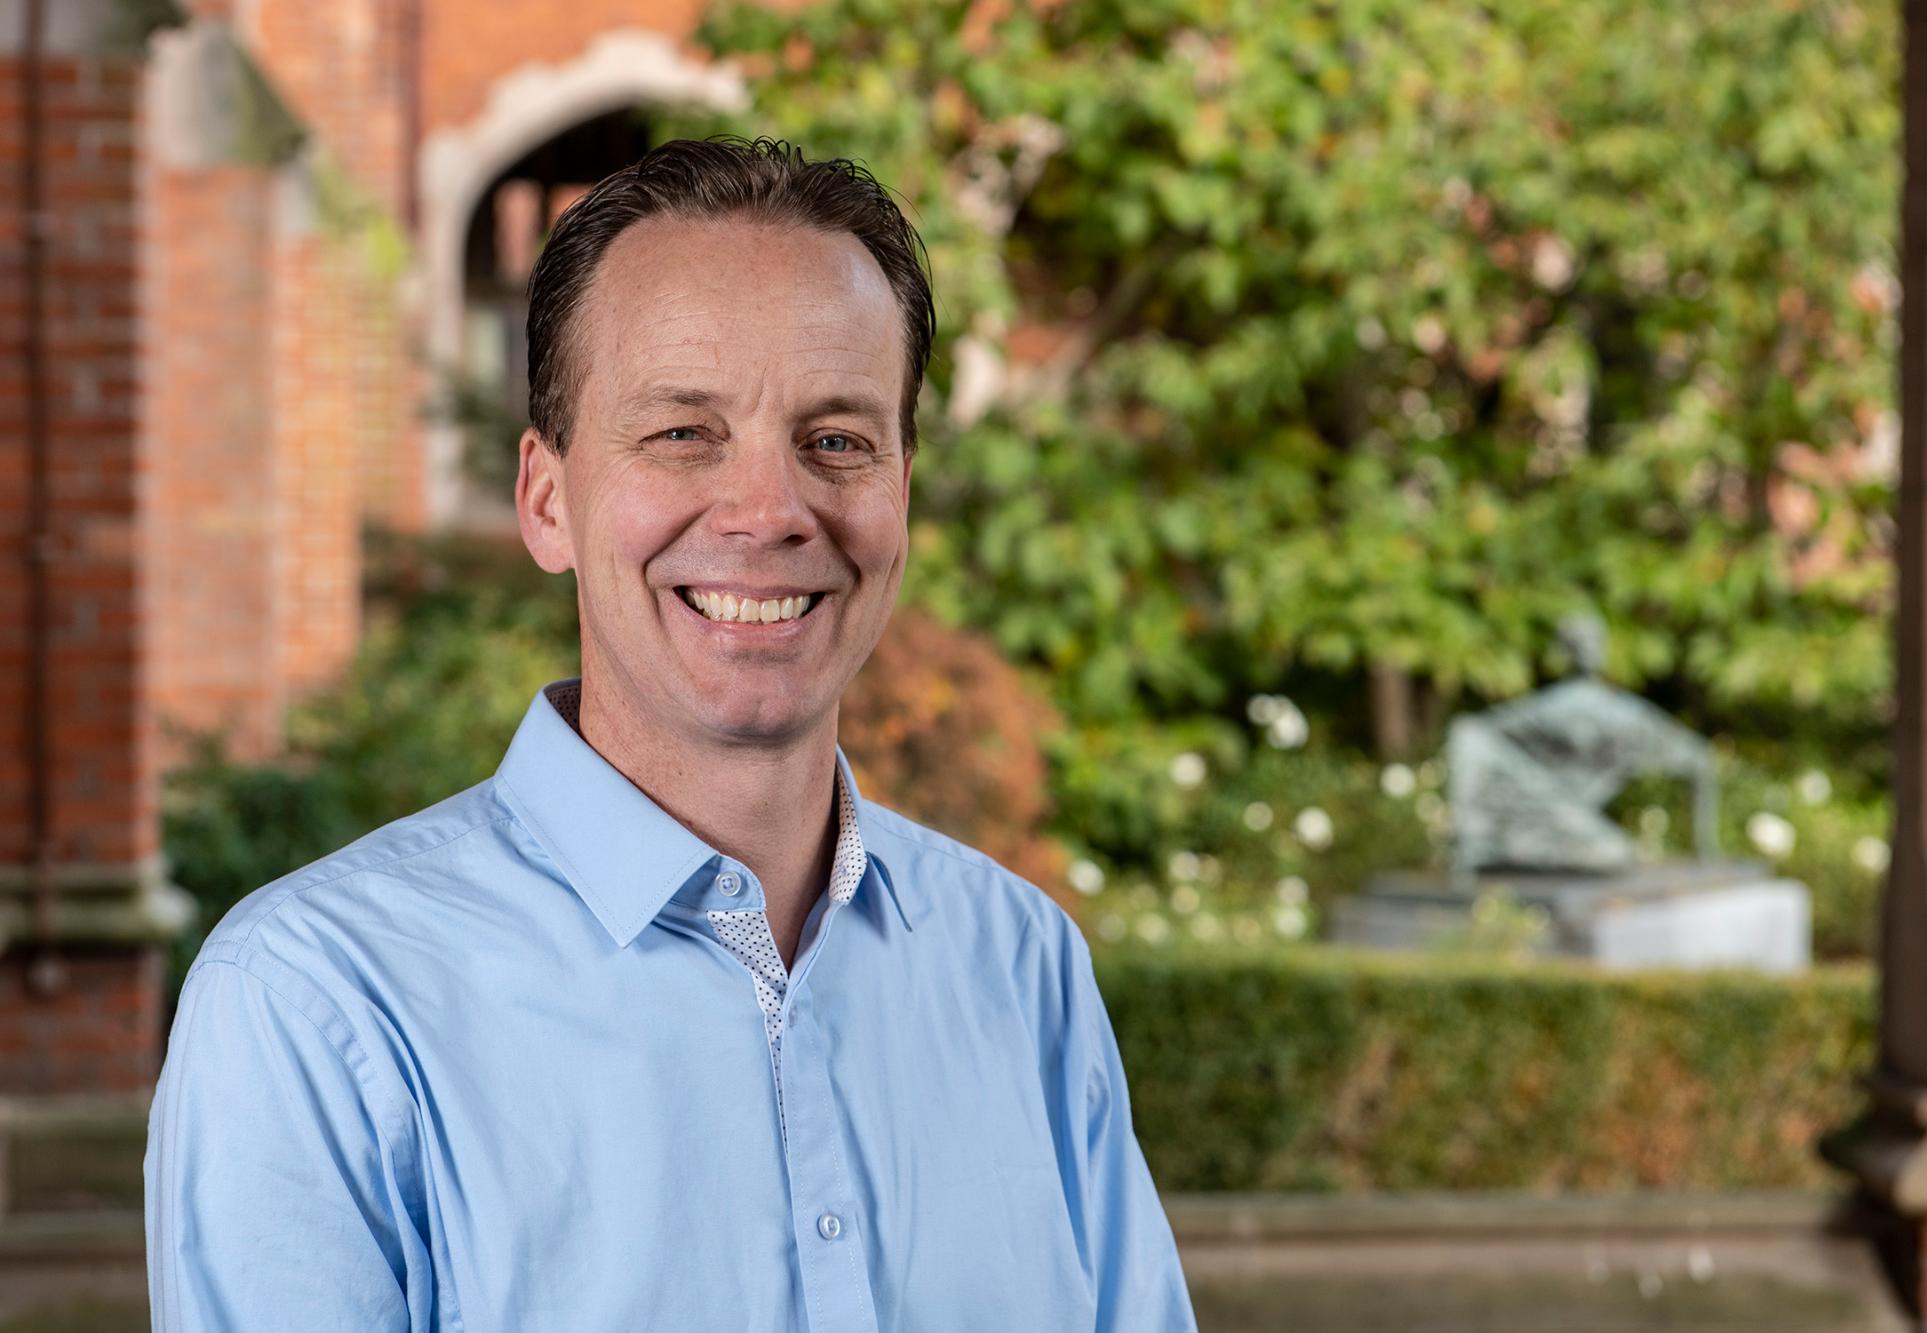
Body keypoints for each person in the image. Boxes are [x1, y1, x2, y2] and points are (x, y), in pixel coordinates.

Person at [143, 137, 1198, 1331]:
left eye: (838, 439)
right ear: (547, 499)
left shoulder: (1020, 967)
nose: (768, 510)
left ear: (902, 490)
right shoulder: (316, 1005)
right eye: (683, 433)